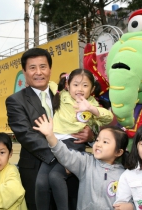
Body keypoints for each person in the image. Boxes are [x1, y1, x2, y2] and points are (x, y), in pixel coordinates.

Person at [5, 47, 94, 209]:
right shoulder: (15, 101)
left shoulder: (67, 95)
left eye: (43, 66)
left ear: (50, 70)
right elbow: (26, 135)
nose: (38, 72)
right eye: (32, 68)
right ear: (24, 72)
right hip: (37, 168)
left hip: (72, 169)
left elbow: (89, 121)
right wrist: (63, 157)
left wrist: (91, 136)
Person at [36, 68, 113, 209]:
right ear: (67, 85)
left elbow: (108, 117)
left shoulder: (91, 103)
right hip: (53, 143)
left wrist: (91, 108)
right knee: (41, 183)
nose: (80, 89)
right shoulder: (61, 94)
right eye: (76, 84)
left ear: (92, 88)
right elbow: (47, 82)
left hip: (73, 145)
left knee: (55, 177)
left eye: (85, 85)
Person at [33, 115, 132, 210]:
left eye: (105, 142)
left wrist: (131, 206)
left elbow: (135, 197)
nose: (98, 144)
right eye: (97, 140)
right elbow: (65, 155)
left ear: (119, 152)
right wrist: (50, 136)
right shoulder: (86, 163)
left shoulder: (124, 175)